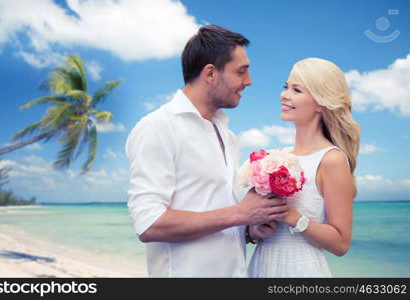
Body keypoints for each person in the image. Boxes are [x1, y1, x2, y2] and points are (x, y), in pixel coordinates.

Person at [126, 25, 288, 277]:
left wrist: (248, 230)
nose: (249, 81)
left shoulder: (228, 135)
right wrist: (240, 213)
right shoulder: (158, 127)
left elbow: (216, 213)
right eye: (241, 71)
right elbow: (149, 224)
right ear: (210, 74)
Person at [248, 58, 361, 277]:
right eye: (285, 87)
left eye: (296, 90)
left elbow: (341, 244)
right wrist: (256, 229)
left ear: (320, 102)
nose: (284, 95)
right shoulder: (275, 156)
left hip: (300, 270)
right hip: (262, 265)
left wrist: (292, 216)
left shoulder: (331, 159)